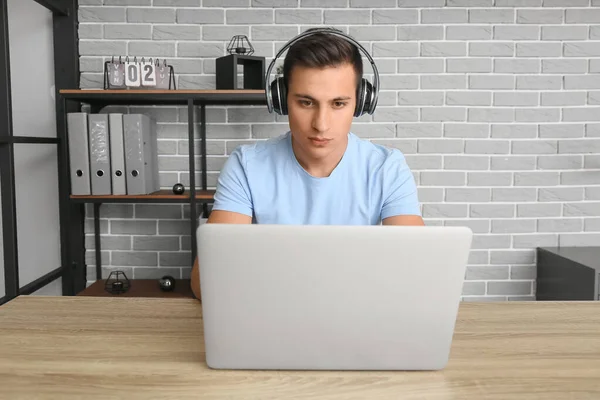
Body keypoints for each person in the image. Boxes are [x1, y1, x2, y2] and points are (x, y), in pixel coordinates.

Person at [190, 28, 424, 300]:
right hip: (273, 316)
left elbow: (417, 272)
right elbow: (204, 282)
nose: (321, 124)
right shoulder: (246, 165)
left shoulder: (387, 168)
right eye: (305, 102)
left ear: (360, 103)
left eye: (338, 103)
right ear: (281, 99)